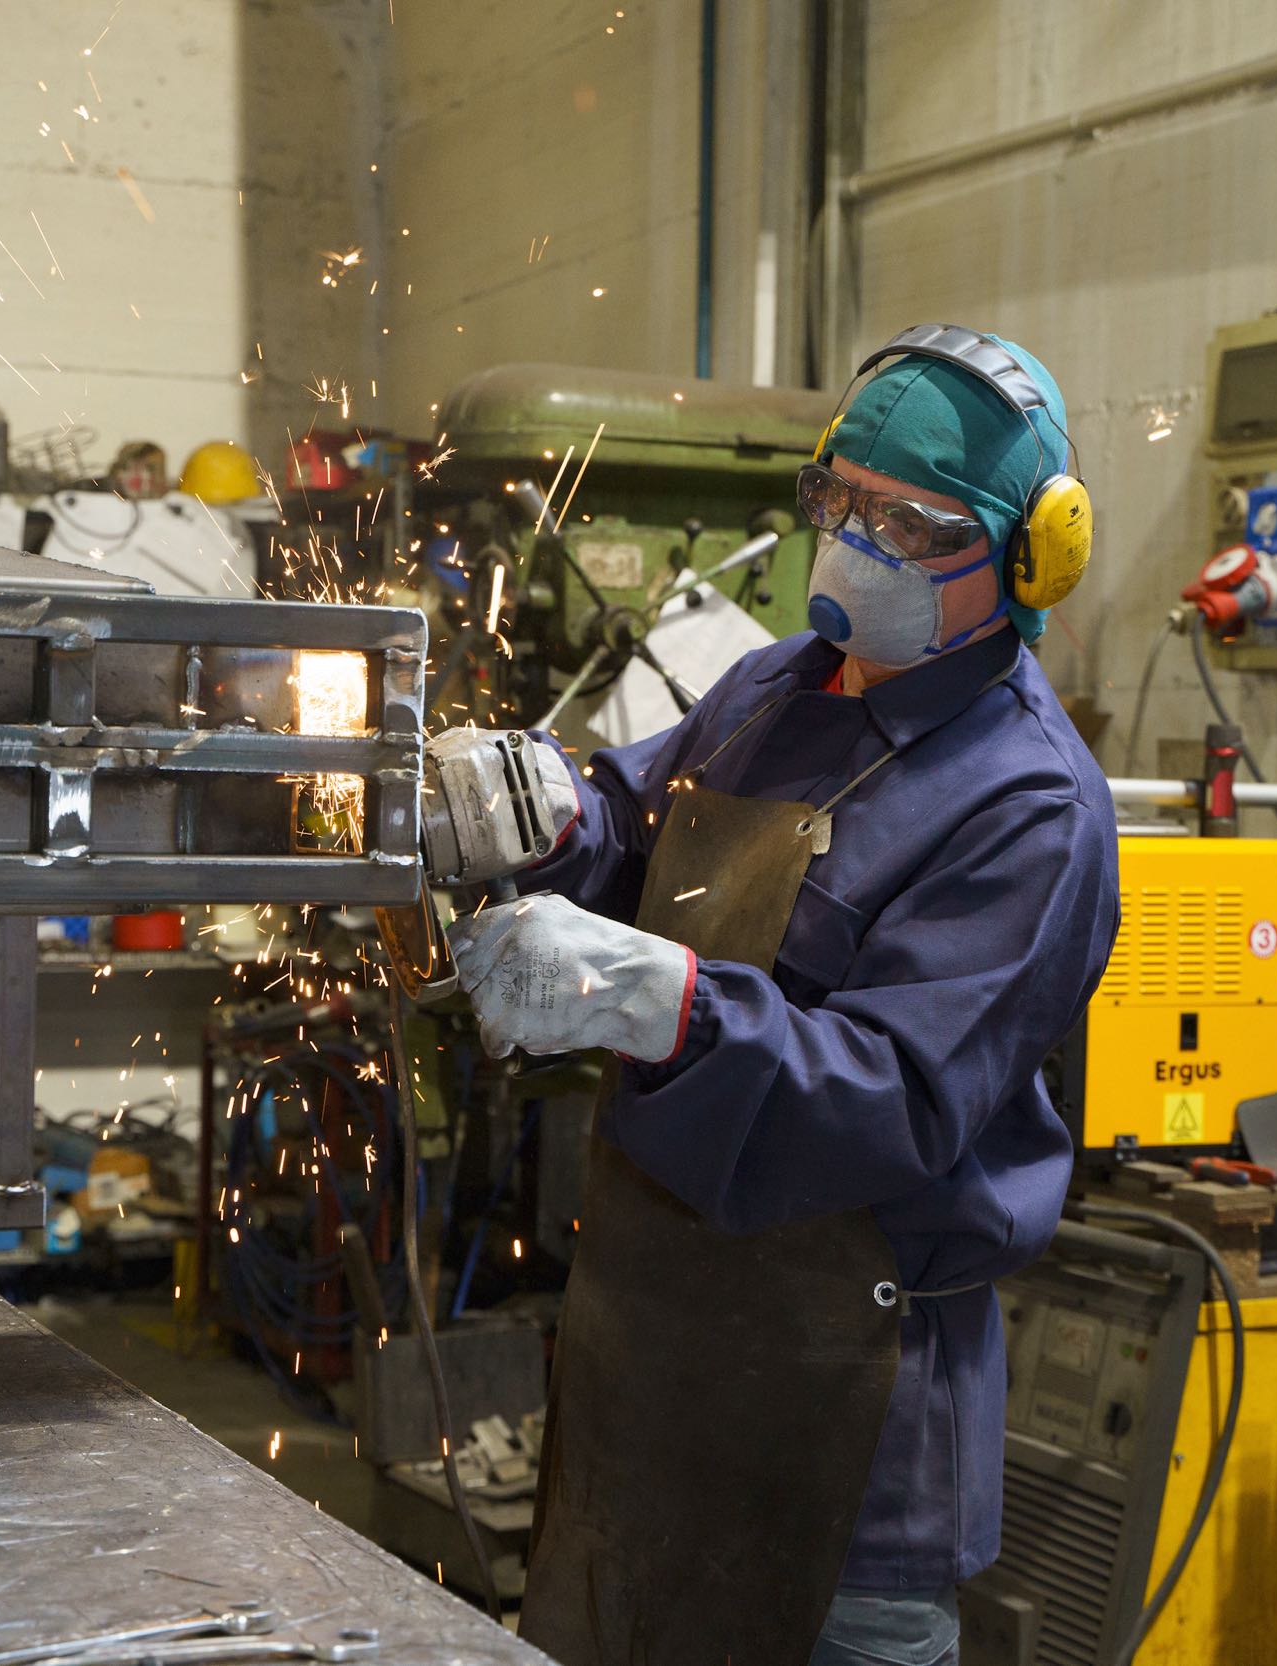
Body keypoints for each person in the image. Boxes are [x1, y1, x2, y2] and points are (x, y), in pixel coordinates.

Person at [420, 325, 1120, 1666]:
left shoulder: (1030, 806)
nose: (857, 543)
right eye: (837, 501)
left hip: (846, 1443)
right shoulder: (775, 686)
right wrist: (547, 806)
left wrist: (664, 1003)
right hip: (651, 1374)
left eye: (910, 525)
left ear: (1034, 556)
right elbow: (639, 825)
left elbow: (899, 1098)